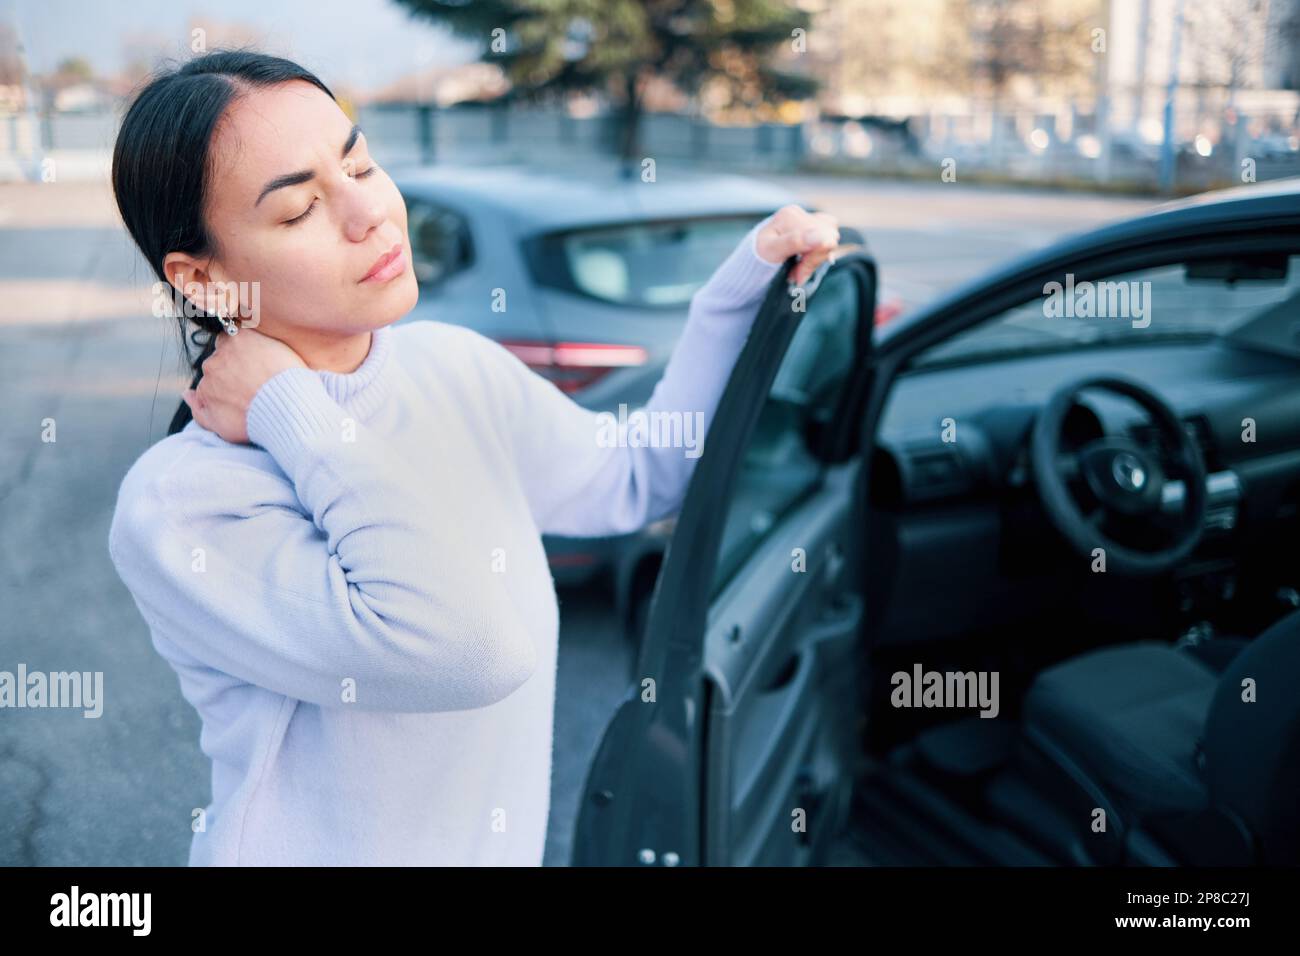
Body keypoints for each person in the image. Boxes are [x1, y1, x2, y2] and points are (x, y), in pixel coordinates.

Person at [106, 49, 840, 866]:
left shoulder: (450, 367)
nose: (371, 214)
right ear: (202, 279)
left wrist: (738, 293)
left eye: (361, 163)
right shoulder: (186, 504)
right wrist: (292, 409)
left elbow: (635, 480)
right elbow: (466, 649)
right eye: (299, 209)